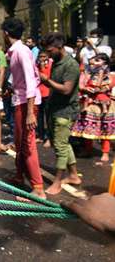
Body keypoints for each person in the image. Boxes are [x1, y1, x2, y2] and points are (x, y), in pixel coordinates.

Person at [1, 18, 46, 199]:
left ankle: (38, 188)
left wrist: (29, 113)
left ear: (5, 33)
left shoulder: (21, 51)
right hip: (19, 100)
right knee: (20, 143)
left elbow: (30, 82)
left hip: (26, 103)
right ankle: (20, 177)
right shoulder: (16, 51)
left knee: (27, 146)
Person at [40, 32, 81, 195]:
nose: (48, 54)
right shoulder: (56, 61)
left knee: (60, 147)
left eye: (50, 51)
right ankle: (73, 175)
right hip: (55, 109)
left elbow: (66, 89)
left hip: (65, 112)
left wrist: (47, 81)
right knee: (63, 144)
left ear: (59, 47)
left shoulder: (70, 65)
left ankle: (57, 182)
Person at [71, 53, 115, 164]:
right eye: (94, 61)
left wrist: (98, 88)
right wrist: (85, 88)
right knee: (87, 128)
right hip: (89, 104)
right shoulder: (87, 73)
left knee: (105, 129)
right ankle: (88, 149)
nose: (94, 63)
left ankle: (105, 152)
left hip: (104, 104)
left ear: (104, 63)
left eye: (98, 61)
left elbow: (106, 86)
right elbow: (80, 85)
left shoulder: (109, 75)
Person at [36, 50, 52, 147]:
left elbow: (45, 77)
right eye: (40, 56)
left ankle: (49, 138)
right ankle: (41, 136)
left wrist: (42, 68)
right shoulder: (36, 65)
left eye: (44, 56)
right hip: (39, 93)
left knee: (48, 117)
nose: (42, 59)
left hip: (48, 93)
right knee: (39, 116)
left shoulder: (50, 65)